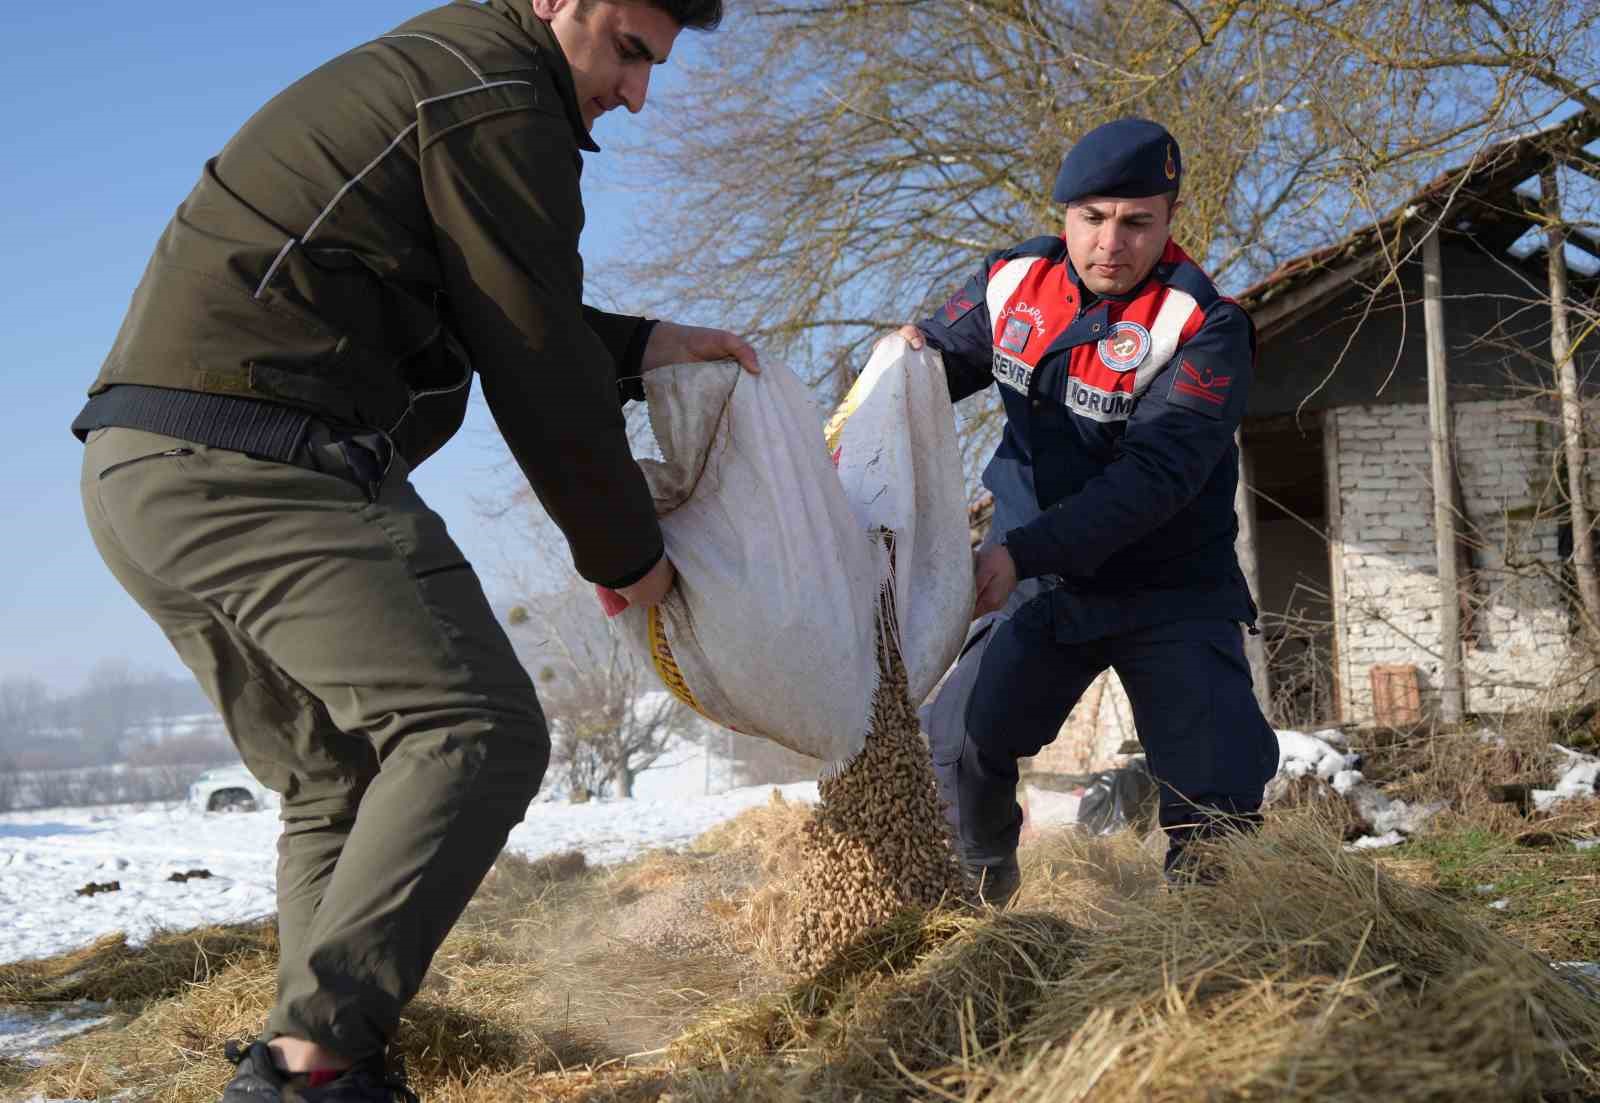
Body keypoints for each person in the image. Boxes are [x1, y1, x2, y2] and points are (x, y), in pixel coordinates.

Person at [71, 1, 753, 1099]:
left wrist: (641, 347)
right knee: (475, 726)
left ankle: (316, 1056)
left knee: (334, 780)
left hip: (143, 468)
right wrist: (629, 554)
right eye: (630, 51)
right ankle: (311, 1067)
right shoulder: (497, 98)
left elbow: (488, 300)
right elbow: (529, 352)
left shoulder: (443, 73)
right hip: (262, 462)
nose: (638, 94)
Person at [900, 118, 1279, 905]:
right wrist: (897, 367)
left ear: (1170, 221)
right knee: (962, 739)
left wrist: (1019, 554)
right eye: (1093, 217)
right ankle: (974, 905)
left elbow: (1151, 482)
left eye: (1138, 221)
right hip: (1043, 582)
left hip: (1169, 588)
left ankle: (1212, 954)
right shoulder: (1011, 283)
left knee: (1218, 790)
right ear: (1063, 212)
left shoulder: (1205, 328)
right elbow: (923, 373)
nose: (1113, 243)